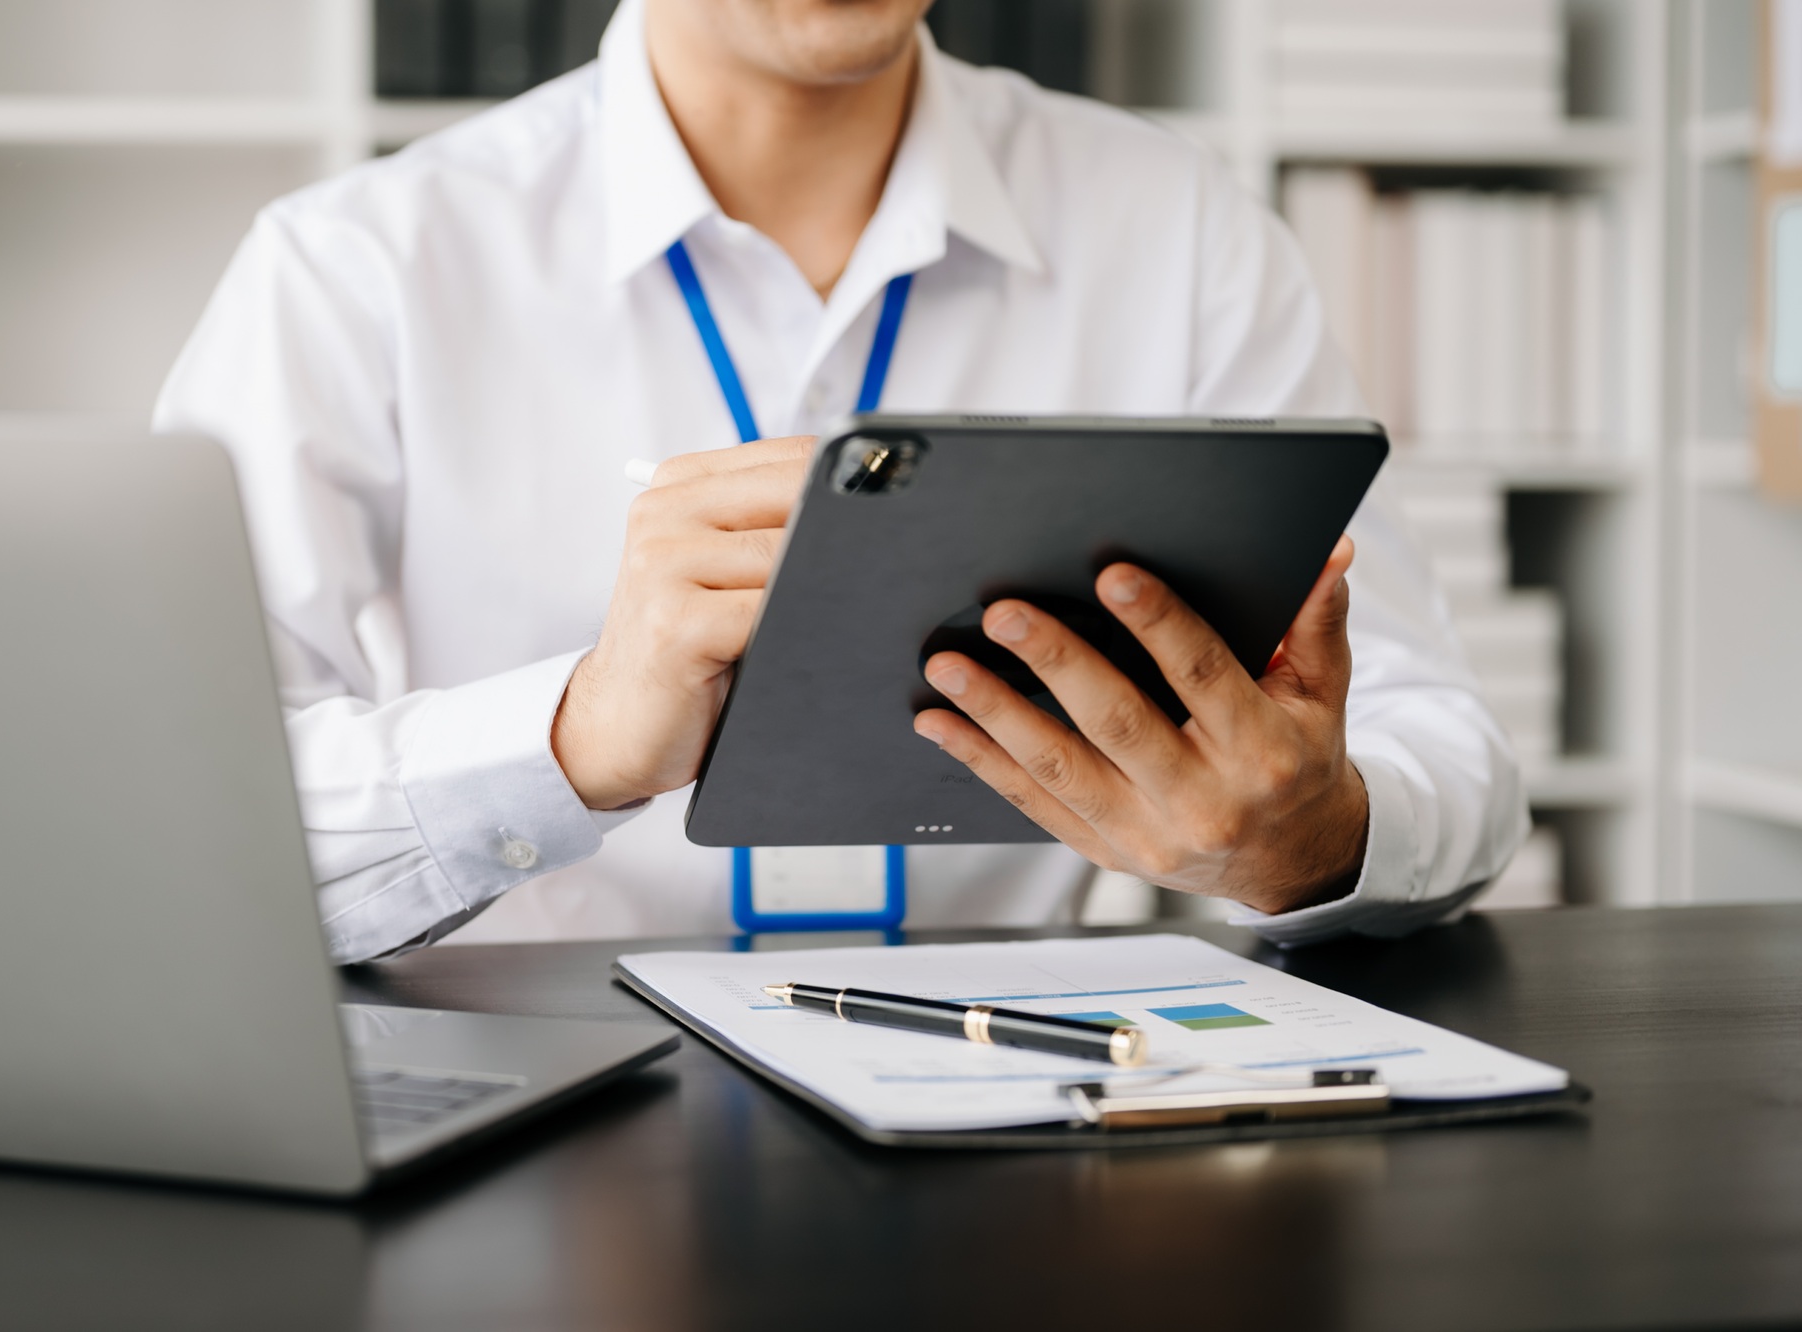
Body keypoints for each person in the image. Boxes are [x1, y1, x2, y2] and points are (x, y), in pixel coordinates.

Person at [155, 0, 1527, 962]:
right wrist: (569, 742)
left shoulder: (1180, 230)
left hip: (1027, 1103)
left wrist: (1309, 838)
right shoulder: (355, 267)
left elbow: (1448, 752)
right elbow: (170, 831)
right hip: (555, 1112)